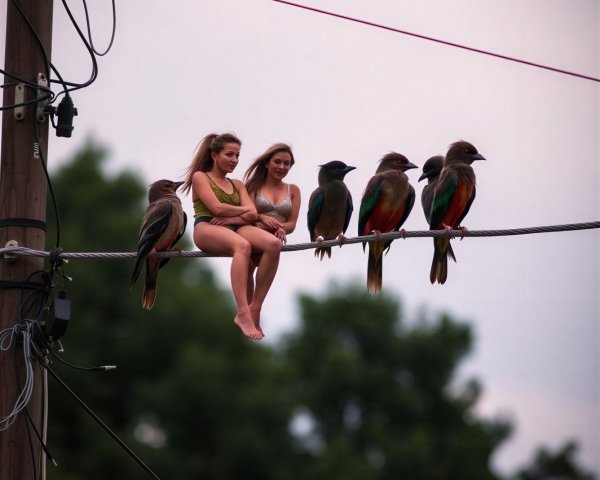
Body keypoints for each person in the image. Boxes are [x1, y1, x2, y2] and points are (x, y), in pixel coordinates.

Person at [182, 133, 282, 340]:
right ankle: (243, 312)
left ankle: (255, 308)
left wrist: (232, 218)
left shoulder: (237, 184)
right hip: (207, 226)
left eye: (237, 155)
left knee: (273, 243)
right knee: (243, 246)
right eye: (229, 155)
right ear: (214, 155)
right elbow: (215, 208)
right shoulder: (201, 177)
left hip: (234, 227)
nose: (234, 160)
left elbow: (253, 213)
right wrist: (241, 212)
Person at [243, 143, 301, 302]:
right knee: (247, 270)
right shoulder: (253, 186)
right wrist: (261, 219)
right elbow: (247, 216)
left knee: (263, 284)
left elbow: (292, 224)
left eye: (287, 163)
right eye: (277, 162)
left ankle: (255, 312)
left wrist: (281, 227)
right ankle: (247, 314)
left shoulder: (293, 190)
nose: (282, 167)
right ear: (267, 163)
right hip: (254, 236)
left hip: (275, 240)